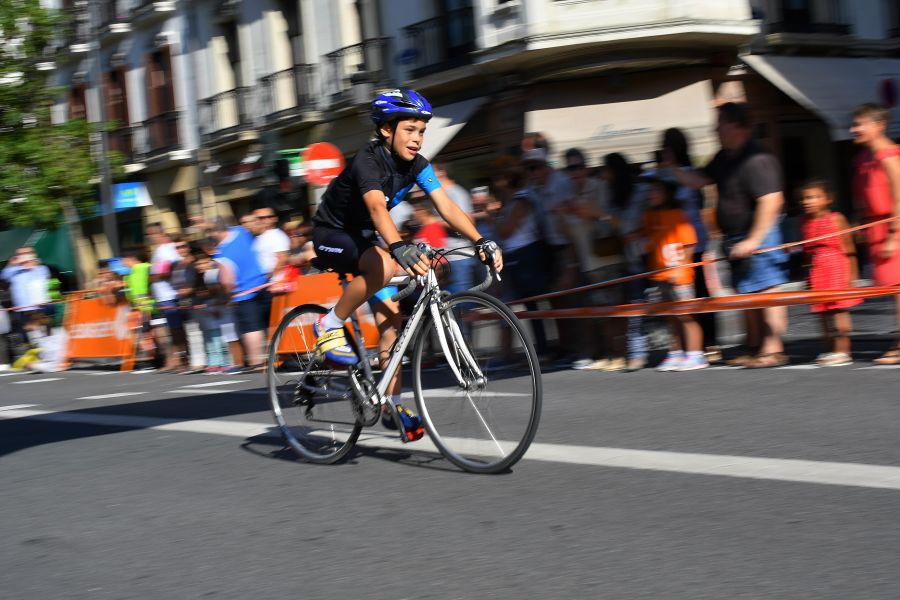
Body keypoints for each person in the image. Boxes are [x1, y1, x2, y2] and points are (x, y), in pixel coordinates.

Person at [310, 88, 501, 441]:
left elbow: (446, 206)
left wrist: (480, 240)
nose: (417, 138)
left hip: (366, 238)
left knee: (391, 324)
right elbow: (377, 209)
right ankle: (328, 324)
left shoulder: (417, 165)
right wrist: (398, 247)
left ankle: (390, 403)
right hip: (331, 234)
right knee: (383, 265)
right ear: (386, 129)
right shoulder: (368, 161)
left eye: (421, 131)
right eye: (409, 130)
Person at [667, 102, 789, 368]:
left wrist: (754, 240)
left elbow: (772, 200)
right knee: (747, 293)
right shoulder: (724, 157)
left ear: (737, 126)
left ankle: (773, 348)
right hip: (735, 236)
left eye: (720, 123)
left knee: (767, 290)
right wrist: (672, 167)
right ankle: (755, 345)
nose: (715, 129)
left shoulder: (757, 157)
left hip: (759, 234)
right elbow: (701, 180)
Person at [660, 127, 720, 362]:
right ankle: (692, 345)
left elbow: (701, 202)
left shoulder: (689, 174)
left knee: (700, 292)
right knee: (681, 294)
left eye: (669, 148)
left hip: (693, 239)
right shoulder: (665, 175)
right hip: (673, 242)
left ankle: (710, 343)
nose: (667, 153)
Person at [639, 177, 707, 371]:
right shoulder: (649, 215)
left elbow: (690, 244)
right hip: (660, 274)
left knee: (686, 315)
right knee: (669, 316)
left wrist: (682, 269)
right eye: (650, 191)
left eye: (656, 191)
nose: (651, 195)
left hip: (679, 275)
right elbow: (648, 239)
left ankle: (695, 354)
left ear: (667, 193)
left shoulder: (678, 214)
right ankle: (675, 353)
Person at [850, 102, 900, 364]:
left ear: (878, 126)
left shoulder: (889, 155)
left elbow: (899, 197)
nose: (853, 129)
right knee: (892, 288)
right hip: (875, 226)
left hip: (892, 226)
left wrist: (894, 235)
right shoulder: (863, 158)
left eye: (859, 124)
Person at [799, 179, 861, 367]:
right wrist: (806, 275)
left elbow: (849, 248)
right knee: (822, 313)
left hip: (835, 268)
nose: (809, 201)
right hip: (817, 271)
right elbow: (807, 252)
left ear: (827, 199)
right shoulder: (805, 222)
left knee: (838, 311)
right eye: (806, 198)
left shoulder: (836, 218)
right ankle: (828, 348)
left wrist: (852, 276)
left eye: (816, 197)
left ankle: (843, 350)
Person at [210, 216, 269, 372]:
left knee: (252, 328)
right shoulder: (241, 232)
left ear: (216, 232)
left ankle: (257, 362)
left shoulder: (223, 252)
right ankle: (274, 357)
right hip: (263, 283)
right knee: (268, 324)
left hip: (244, 293)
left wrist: (227, 296)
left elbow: (226, 281)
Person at [432, 161, 476, 293]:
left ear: (441, 172)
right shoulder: (440, 194)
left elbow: (469, 221)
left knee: (463, 302)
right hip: (446, 257)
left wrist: (435, 222)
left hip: (460, 256)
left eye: (431, 172)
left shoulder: (456, 193)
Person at [145, 223, 183, 371]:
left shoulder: (167, 249)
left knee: (175, 329)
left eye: (150, 234)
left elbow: (169, 271)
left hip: (170, 294)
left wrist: (152, 278)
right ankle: (173, 360)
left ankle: (180, 360)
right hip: (162, 296)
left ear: (157, 233)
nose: (149, 238)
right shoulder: (159, 250)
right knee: (168, 330)